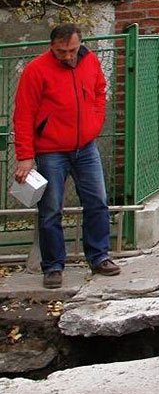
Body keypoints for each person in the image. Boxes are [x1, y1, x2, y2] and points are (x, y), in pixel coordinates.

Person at [13, 24, 120, 288]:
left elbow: (99, 90)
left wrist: (95, 122)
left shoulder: (90, 61)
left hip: (85, 146)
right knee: (50, 209)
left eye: (72, 50)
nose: (68, 56)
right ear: (52, 47)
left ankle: (99, 256)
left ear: (79, 44)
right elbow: (23, 114)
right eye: (62, 52)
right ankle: (53, 266)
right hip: (51, 150)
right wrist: (25, 156)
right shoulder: (35, 71)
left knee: (98, 201)